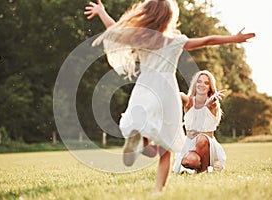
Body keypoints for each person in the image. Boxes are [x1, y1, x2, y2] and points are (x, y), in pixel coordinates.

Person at [84, 0, 255, 192]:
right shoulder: (175, 41)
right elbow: (207, 41)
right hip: (167, 92)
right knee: (167, 147)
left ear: (147, 14)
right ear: (170, 17)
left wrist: (102, 12)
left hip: (145, 88)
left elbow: (115, 29)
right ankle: (158, 190)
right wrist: (234, 38)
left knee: (142, 129)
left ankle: (138, 141)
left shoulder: (141, 38)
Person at [172, 70, 227, 174]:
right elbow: (178, 95)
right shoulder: (188, 101)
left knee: (201, 138)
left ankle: (204, 170)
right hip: (189, 144)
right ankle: (195, 166)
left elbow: (210, 104)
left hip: (207, 146)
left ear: (210, 87)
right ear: (195, 84)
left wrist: (210, 101)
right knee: (189, 161)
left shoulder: (213, 104)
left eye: (206, 83)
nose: (202, 85)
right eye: (199, 81)